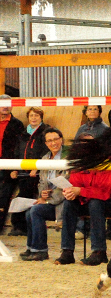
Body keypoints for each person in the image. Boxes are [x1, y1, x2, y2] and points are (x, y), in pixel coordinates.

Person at [54, 133, 111, 266]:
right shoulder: (79, 163)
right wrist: (71, 193)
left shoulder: (109, 160)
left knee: (96, 203)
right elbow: (76, 184)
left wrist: (80, 191)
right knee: (69, 203)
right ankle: (67, 251)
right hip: (89, 199)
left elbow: (106, 192)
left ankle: (99, 252)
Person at [20, 128, 69, 261]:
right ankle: (31, 247)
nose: (53, 143)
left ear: (61, 140)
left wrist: (47, 200)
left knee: (36, 211)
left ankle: (41, 250)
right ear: (46, 143)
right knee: (29, 212)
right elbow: (42, 182)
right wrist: (42, 194)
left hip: (64, 202)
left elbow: (67, 184)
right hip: (49, 199)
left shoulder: (69, 156)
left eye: (56, 139)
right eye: (50, 141)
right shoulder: (45, 158)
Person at [8, 107, 49, 236]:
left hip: (37, 172)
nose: (33, 118)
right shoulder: (23, 134)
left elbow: (45, 150)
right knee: (23, 196)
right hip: (23, 172)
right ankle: (21, 225)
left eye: (36, 115)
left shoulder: (45, 132)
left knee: (25, 196)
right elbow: (17, 151)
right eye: (31, 116)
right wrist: (14, 168)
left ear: (41, 117)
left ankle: (22, 226)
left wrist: (37, 166)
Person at [0, 95, 25, 233]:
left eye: (9, 104)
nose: (6, 106)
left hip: (8, 165)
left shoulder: (17, 124)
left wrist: (15, 167)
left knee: (3, 198)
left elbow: (19, 148)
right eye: (3, 104)